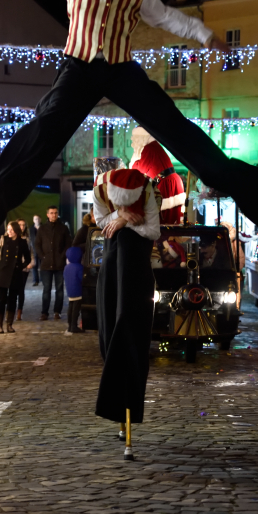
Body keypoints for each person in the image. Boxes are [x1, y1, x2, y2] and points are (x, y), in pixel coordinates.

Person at [0, 0, 258, 272]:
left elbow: (169, 17)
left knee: (172, 124)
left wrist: (205, 36)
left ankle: (252, 192)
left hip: (119, 69)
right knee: (43, 130)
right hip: (80, 66)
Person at [93, 167, 160, 433]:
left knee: (131, 334)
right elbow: (101, 221)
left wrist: (125, 222)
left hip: (135, 268)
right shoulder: (100, 189)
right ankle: (116, 409)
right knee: (110, 335)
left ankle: (129, 405)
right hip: (112, 268)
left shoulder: (148, 192)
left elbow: (153, 230)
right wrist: (120, 216)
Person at [129, 127, 186, 224]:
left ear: (141, 137)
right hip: (172, 181)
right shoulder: (155, 147)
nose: (133, 142)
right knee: (173, 217)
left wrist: (132, 163)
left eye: (135, 138)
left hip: (166, 183)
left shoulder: (149, 148)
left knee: (163, 218)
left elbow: (139, 169)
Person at [0, 221, 32, 333]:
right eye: (8, 229)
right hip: (2, 273)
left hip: (15, 274)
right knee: (2, 299)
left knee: (13, 300)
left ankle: (9, 324)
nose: (9, 232)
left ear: (16, 230)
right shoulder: (2, 239)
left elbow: (28, 258)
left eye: (11, 230)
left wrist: (21, 266)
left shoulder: (22, 242)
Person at [35, 206, 72, 320]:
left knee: (59, 289)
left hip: (59, 264)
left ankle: (57, 311)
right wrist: (42, 256)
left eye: (55, 213)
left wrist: (62, 256)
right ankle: (44, 312)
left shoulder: (63, 228)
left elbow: (68, 244)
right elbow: (37, 244)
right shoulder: (42, 229)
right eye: (51, 213)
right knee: (46, 289)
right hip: (46, 264)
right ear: (47, 215)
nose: (54, 215)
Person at [16, 219, 35, 321]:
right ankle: (10, 310)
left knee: (21, 289)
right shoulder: (10, 237)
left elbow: (31, 252)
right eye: (20, 225)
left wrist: (31, 263)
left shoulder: (27, 239)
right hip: (13, 267)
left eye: (23, 225)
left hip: (24, 266)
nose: (22, 227)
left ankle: (19, 310)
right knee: (13, 289)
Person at [63, 246, 85, 335]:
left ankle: (70, 325)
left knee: (71, 308)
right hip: (78, 290)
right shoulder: (79, 267)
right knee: (76, 310)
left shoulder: (67, 267)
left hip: (70, 290)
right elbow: (82, 279)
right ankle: (74, 326)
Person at [30, 215, 42, 286]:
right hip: (34, 250)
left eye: (38, 219)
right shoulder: (30, 229)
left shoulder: (44, 228)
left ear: (40, 220)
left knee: (43, 265)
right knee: (34, 265)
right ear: (33, 220)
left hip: (42, 250)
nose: (37, 220)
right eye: (35, 219)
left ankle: (42, 279)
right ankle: (35, 280)